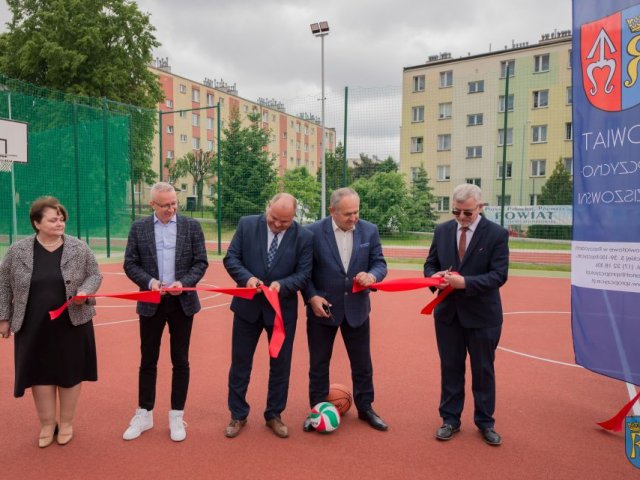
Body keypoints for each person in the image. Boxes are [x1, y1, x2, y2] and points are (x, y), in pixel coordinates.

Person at [0, 196, 102, 448]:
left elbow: (94, 274)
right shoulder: (17, 251)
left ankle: (66, 423)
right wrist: (3, 317)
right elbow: (3, 284)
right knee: (40, 374)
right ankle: (47, 425)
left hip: (72, 323)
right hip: (33, 325)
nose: (60, 223)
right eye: (53, 219)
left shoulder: (79, 248)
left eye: (61, 219)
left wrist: (84, 292)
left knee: (70, 373)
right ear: (37, 223)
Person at [424, 183, 509, 446]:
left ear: (480, 208)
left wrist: (467, 283)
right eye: (456, 211)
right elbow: (431, 263)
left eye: (467, 213)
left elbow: (499, 275)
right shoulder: (442, 230)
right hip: (448, 315)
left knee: (483, 370)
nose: (461, 217)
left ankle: (485, 422)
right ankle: (450, 419)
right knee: (450, 368)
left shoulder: (496, 234)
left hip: (483, 317)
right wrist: (433, 278)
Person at [122, 182, 208, 442]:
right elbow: (130, 263)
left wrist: (184, 283)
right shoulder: (139, 228)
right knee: (148, 360)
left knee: (180, 360)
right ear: (152, 205)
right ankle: (145, 413)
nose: (171, 208)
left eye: (174, 203)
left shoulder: (191, 226)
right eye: (165, 205)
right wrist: (150, 282)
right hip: (151, 301)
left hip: (182, 303)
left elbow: (200, 261)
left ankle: (176, 415)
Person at [223, 193, 313, 439]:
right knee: (240, 363)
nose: (277, 225)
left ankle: (274, 414)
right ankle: (237, 414)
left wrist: (282, 285)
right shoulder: (246, 224)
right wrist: (247, 278)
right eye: (273, 218)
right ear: (267, 208)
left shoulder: (305, 237)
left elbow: (304, 274)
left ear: (294, 218)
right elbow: (231, 258)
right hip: (247, 309)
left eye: (284, 222)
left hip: (281, 312)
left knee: (281, 365)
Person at [302, 187, 389, 432]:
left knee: (362, 363)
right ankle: (317, 411)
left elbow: (380, 263)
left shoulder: (369, 230)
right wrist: (311, 297)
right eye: (347, 214)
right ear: (332, 211)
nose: (354, 218)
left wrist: (372, 275)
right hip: (323, 309)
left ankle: (366, 408)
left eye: (356, 212)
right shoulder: (311, 232)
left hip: (357, 308)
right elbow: (304, 272)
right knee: (319, 364)